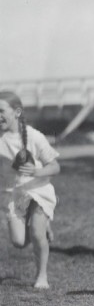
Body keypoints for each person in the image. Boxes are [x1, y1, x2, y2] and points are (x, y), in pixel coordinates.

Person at [0, 90, 60, 289]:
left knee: (36, 233)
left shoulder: (34, 136)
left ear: (17, 112)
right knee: (18, 242)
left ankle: (42, 276)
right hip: (13, 194)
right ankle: (40, 225)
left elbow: (55, 166)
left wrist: (37, 171)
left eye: (1, 111)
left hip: (37, 190)